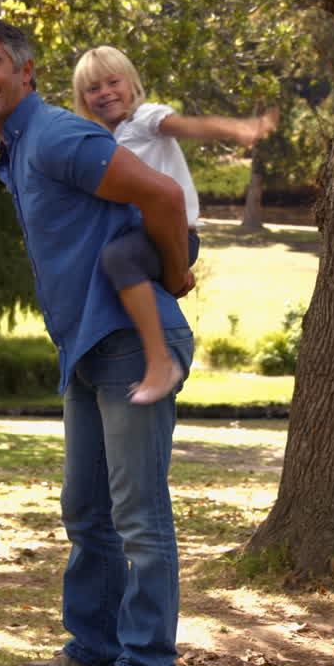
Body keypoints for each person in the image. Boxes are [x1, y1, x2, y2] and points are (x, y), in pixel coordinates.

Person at [0, 19, 193, 666]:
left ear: (26, 71)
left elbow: (165, 195)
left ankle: (144, 661)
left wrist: (174, 273)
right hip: (85, 346)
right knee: (86, 511)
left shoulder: (57, 135)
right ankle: (92, 644)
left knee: (137, 511)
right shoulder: (18, 148)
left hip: (129, 344)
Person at [71, 45, 278, 404]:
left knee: (119, 258)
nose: (104, 93)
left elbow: (188, 126)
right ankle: (172, 280)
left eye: (112, 82)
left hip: (176, 235)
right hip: (144, 240)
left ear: (131, 84)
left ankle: (160, 363)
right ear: (83, 99)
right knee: (111, 256)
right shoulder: (104, 141)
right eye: (93, 88)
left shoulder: (146, 119)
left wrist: (240, 129)